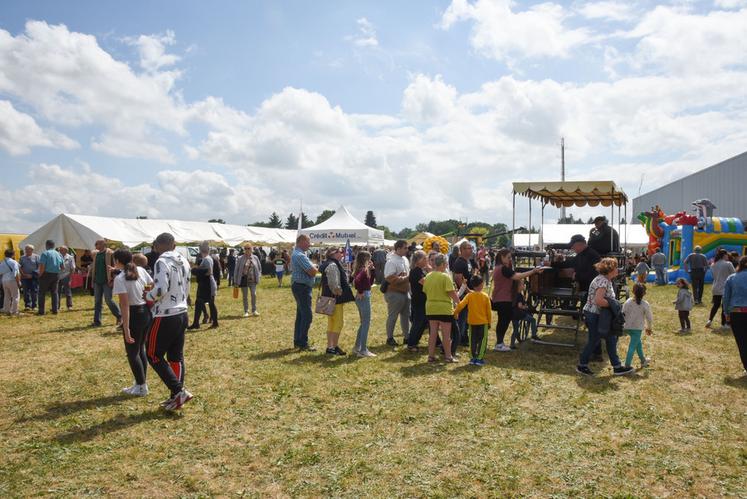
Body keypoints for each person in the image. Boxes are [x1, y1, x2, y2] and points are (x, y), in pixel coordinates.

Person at [145, 232, 193, 411]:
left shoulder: (161, 261)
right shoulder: (184, 260)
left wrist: (148, 296)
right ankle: (176, 397)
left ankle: (178, 391)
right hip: (182, 311)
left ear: (157, 245)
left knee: (153, 354)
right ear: (174, 245)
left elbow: (160, 289)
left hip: (166, 314)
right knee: (175, 356)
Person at [576, 258, 634, 376]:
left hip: (599, 314)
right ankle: (582, 365)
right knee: (594, 340)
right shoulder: (603, 281)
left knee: (611, 339)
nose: (618, 270)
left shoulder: (604, 280)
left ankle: (617, 367)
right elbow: (599, 301)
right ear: (610, 269)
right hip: (596, 315)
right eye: (616, 267)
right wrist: (615, 305)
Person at [112, 248, 154, 397]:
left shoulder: (120, 278)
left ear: (117, 261)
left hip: (134, 315)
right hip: (145, 314)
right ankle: (140, 383)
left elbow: (124, 305)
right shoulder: (141, 270)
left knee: (132, 353)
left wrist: (126, 327)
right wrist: (148, 295)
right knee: (140, 349)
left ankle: (141, 386)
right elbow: (153, 284)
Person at [491, 248, 542, 352]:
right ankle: (499, 344)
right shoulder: (503, 268)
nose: (510, 259)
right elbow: (517, 276)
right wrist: (533, 271)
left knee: (502, 321)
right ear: (502, 257)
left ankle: (499, 343)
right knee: (503, 322)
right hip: (503, 299)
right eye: (508, 257)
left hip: (500, 298)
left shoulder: (498, 267)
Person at [423, 254, 460, 363]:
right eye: (446, 263)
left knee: (433, 334)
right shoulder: (445, 277)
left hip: (430, 308)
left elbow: (425, 290)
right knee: (446, 335)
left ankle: (431, 356)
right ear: (443, 264)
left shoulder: (428, 276)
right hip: (444, 308)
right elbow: (451, 292)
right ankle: (448, 356)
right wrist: (459, 302)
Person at [320, 247, 355, 355]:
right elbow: (334, 283)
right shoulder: (333, 265)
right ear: (333, 254)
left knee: (331, 323)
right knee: (338, 323)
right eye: (340, 252)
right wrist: (339, 292)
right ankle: (333, 347)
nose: (342, 253)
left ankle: (330, 346)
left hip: (328, 297)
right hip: (335, 298)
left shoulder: (329, 263)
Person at [454, 275, 492, 366]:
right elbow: (488, 311)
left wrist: (455, 312)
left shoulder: (469, 295)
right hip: (483, 323)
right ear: (481, 285)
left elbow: (460, 305)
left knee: (472, 340)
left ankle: (472, 358)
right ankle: (479, 358)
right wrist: (489, 322)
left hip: (472, 322)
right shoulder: (485, 296)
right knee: (482, 341)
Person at [290, 234, 318, 351]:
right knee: (307, 315)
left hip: (299, 286)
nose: (310, 244)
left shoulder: (297, 254)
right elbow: (312, 272)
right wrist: (315, 267)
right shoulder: (300, 256)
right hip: (302, 287)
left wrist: (313, 267)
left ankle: (298, 341)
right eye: (308, 242)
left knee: (301, 315)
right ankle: (303, 342)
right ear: (301, 242)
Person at [383, 240, 411, 346]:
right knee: (393, 316)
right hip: (394, 292)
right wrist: (405, 278)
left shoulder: (404, 259)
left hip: (405, 291)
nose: (407, 250)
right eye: (405, 248)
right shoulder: (391, 261)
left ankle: (407, 337)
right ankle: (389, 338)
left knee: (406, 315)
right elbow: (389, 278)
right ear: (398, 249)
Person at [723, 256, 747, 375]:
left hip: (737, 313)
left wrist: (726, 313)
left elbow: (726, 298)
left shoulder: (732, 278)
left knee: (742, 342)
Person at [622, 283, 654, 370]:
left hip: (627, 327)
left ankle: (643, 360)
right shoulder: (645, 304)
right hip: (637, 328)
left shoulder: (627, 301)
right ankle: (627, 365)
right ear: (644, 293)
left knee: (637, 344)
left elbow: (623, 313)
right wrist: (649, 328)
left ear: (633, 291)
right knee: (632, 346)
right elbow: (649, 318)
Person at [90, 239, 122, 327]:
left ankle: (119, 316)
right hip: (97, 281)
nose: (95, 245)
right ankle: (97, 321)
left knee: (109, 300)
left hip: (107, 281)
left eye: (97, 244)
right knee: (97, 302)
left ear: (103, 244)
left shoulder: (110, 253)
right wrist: (92, 281)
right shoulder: (96, 254)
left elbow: (115, 267)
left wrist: (113, 280)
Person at [452, 241, 477, 347]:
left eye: (471, 248)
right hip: (462, 294)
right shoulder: (459, 262)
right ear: (461, 250)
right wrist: (468, 291)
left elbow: (474, 271)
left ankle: (464, 336)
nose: (470, 250)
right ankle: (459, 338)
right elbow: (458, 279)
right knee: (462, 317)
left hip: (469, 292)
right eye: (468, 248)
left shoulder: (468, 261)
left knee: (466, 317)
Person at [189, 242, 218, 330]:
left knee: (211, 303)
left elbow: (209, 272)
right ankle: (196, 323)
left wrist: (195, 271)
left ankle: (215, 322)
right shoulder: (205, 258)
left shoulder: (207, 259)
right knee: (198, 303)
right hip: (205, 283)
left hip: (208, 284)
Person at [352, 250, 376, 357]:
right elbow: (357, 281)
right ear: (365, 259)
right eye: (369, 258)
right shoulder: (363, 270)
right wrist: (361, 291)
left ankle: (357, 347)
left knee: (364, 323)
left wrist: (373, 271)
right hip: (364, 296)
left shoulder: (361, 269)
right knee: (366, 323)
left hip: (363, 295)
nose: (371, 261)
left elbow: (369, 283)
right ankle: (363, 350)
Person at [707, 248, 735, 331]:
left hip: (715, 287)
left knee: (715, 305)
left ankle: (710, 320)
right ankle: (724, 324)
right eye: (727, 255)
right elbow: (734, 275)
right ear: (724, 255)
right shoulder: (728, 264)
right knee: (725, 307)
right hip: (725, 287)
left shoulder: (713, 265)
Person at [406, 250, 429, 352]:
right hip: (419, 301)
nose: (426, 260)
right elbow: (426, 283)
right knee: (418, 322)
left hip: (422, 300)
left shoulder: (421, 270)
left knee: (423, 322)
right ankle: (411, 343)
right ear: (418, 260)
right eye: (424, 258)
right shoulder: (416, 271)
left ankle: (414, 341)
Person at [234, 244, 261, 317]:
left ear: (252, 249)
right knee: (245, 296)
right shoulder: (240, 258)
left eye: (249, 248)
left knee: (253, 294)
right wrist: (235, 281)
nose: (247, 250)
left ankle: (254, 310)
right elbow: (236, 270)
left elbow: (259, 268)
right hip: (243, 280)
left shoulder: (255, 257)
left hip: (253, 280)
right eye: (245, 248)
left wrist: (259, 276)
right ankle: (246, 311)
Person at [37, 239, 63, 315]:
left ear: (46, 245)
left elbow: (42, 266)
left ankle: (41, 311)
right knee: (54, 292)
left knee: (42, 293)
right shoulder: (59, 254)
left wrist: (40, 274)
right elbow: (62, 266)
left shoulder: (45, 253)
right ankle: (55, 310)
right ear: (54, 246)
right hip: (56, 275)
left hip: (46, 274)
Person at [511, 279, 538, 345]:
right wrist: (526, 307)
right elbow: (519, 306)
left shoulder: (513, 294)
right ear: (519, 286)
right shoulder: (519, 295)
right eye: (523, 285)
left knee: (515, 330)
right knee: (533, 320)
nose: (524, 286)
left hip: (512, 314)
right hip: (519, 314)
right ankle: (534, 335)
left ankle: (512, 345)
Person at [0, 249, 21, 315]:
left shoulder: (2, 262)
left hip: (4, 280)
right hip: (12, 280)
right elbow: (16, 273)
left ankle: (6, 309)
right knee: (15, 296)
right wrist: (18, 282)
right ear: (12, 255)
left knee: (6, 295)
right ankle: (15, 311)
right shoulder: (14, 262)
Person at [19, 244, 39, 311]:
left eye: (28, 249)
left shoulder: (37, 257)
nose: (27, 250)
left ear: (32, 250)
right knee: (25, 292)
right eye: (26, 249)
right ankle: (27, 305)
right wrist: (23, 274)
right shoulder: (22, 258)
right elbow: (20, 267)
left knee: (34, 291)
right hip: (24, 277)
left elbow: (39, 267)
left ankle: (34, 306)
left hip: (34, 277)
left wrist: (32, 275)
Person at [57, 246, 76, 311]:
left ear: (66, 251)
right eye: (60, 250)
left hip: (66, 275)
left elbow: (73, 268)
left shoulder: (70, 257)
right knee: (57, 292)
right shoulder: (57, 256)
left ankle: (69, 306)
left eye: (62, 250)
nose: (60, 251)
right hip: (58, 276)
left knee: (67, 292)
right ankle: (57, 306)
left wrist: (70, 277)